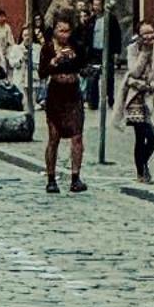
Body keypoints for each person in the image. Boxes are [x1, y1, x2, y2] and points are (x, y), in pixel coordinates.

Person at [115, 19, 154, 182]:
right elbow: (134, 72)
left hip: (153, 96)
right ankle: (141, 171)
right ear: (138, 36)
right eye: (145, 33)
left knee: (153, 136)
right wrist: (144, 54)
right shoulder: (132, 49)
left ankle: (142, 163)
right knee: (143, 135)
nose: (149, 36)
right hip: (136, 97)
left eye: (151, 32)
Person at [39, 14, 87, 194]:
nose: (65, 34)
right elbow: (42, 73)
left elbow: (83, 65)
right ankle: (51, 178)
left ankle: (76, 177)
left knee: (77, 136)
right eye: (61, 30)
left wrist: (76, 59)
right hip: (56, 93)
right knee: (54, 137)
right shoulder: (48, 48)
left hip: (73, 93)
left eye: (67, 31)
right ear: (55, 31)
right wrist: (55, 60)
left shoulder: (76, 45)